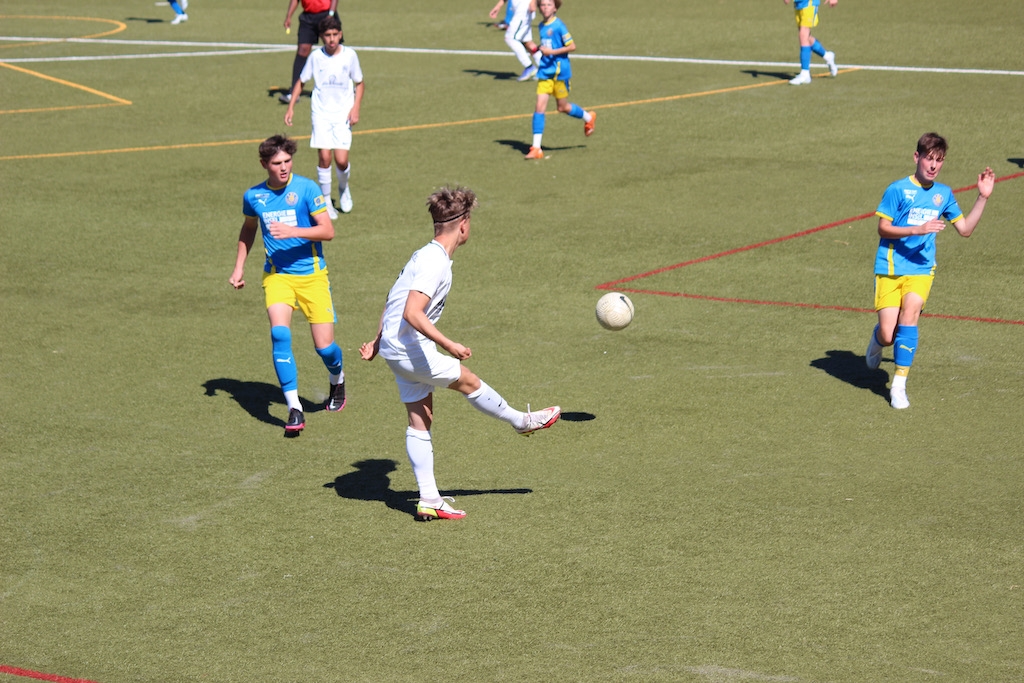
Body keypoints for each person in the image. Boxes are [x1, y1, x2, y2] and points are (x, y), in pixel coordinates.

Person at [359, 186, 561, 521]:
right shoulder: (434, 262)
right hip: (409, 348)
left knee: (420, 418)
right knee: (468, 380)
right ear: (464, 225)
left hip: (396, 349)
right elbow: (411, 311)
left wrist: (378, 341)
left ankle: (429, 499)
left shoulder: (423, 255)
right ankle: (521, 422)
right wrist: (449, 344)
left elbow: (392, 298)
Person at [865, 132, 995, 409]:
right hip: (890, 267)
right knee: (888, 334)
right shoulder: (898, 189)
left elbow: (965, 230)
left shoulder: (943, 194)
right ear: (917, 157)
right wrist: (918, 229)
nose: (934, 165)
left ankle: (898, 386)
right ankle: (877, 339)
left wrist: (982, 197)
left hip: (921, 269)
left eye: (940, 160)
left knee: (910, 315)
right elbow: (883, 228)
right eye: (929, 158)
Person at [230, 135, 347, 435]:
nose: (283, 167)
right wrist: (239, 267)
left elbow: (328, 231)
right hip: (277, 276)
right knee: (279, 334)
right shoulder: (254, 196)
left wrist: (293, 231)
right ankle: (294, 408)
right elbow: (248, 228)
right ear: (264, 164)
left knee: (325, 348)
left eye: (287, 161)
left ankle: (337, 378)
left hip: (313, 276)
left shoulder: (307, 189)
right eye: (276, 163)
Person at [284, 14, 364, 218]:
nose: (331, 39)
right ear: (321, 36)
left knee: (341, 160)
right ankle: (326, 201)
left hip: (342, 114)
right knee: (324, 157)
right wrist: (291, 107)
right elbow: (301, 81)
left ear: (340, 34)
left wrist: (355, 108)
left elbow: (359, 83)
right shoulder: (316, 57)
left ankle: (343, 189)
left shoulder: (349, 56)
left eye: (335, 34)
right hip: (321, 113)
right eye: (327, 35)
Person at [522, 0, 595, 160]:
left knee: (563, 107)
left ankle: (588, 118)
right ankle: (536, 148)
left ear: (555, 8)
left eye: (549, 5)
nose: (545, 7)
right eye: (543, 5)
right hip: (545, 72)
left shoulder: (559, 26)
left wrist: (552, 52)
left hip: (560, 73)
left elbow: (572, 46)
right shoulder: (541, 26)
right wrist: (535, 48)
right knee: (539, 108)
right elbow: (545, 46)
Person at [280, 0, 338, 103]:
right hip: (308, 17)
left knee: (335, 50)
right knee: (302, 50)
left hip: (326, 14)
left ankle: (345, 86)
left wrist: (331, 14)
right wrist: (289, 16)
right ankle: (294, 92)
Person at [783, 0, 837, 85]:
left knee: (803, 35)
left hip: (809, 3)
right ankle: (827, 56)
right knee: (807, 38)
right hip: (799, 3)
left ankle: (805, 73)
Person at [489, 0, 539, 81]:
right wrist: (498, 6)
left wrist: (533, 2)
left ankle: (529, 67)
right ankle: (545, 68)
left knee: (510, 38)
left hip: (523, 11)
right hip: (520, 11)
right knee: (527, 42)